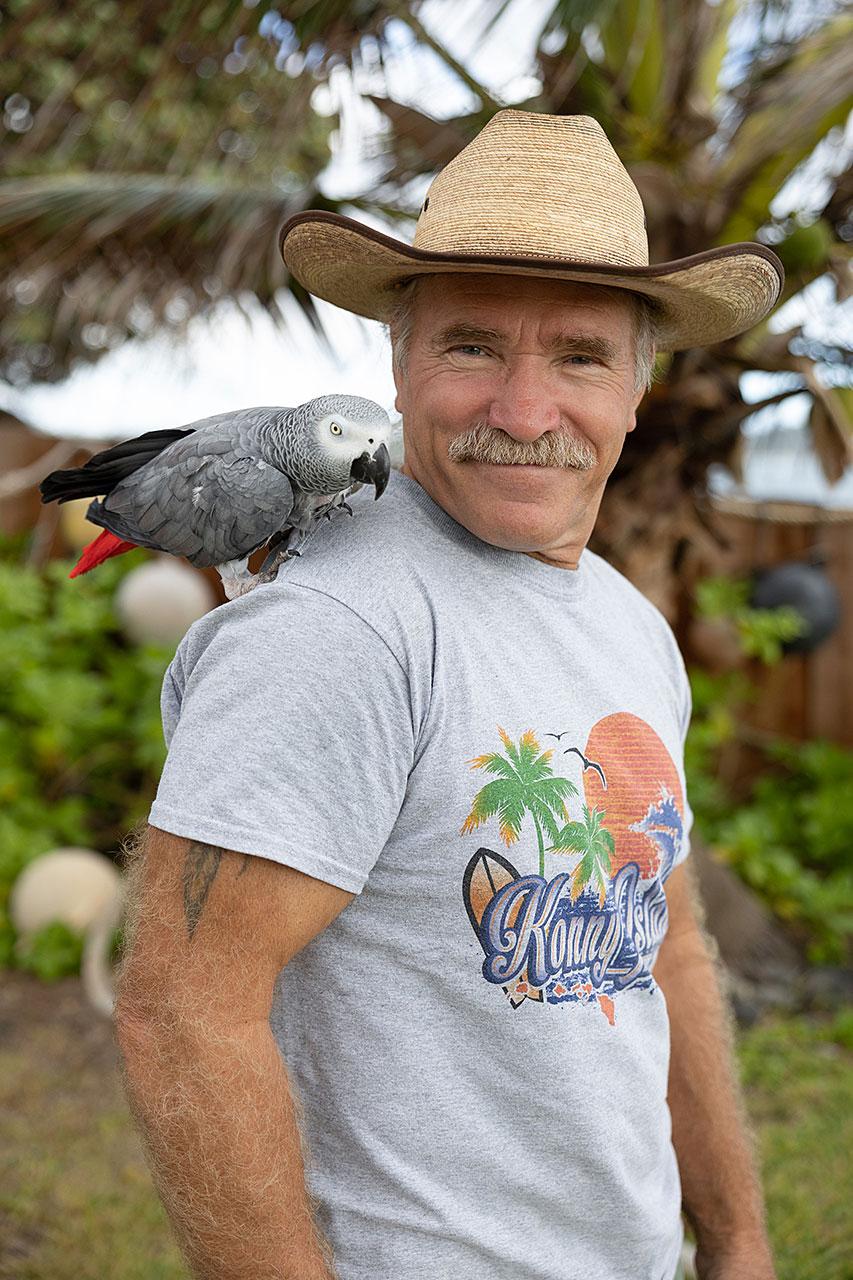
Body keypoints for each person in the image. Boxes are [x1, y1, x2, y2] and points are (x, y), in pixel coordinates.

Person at [115, 110, 783, 1280]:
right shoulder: (341, 626)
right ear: (398, 364)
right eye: (471, 347)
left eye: (579, 357)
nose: (522, 412)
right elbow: (185, 1013)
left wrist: (734, 1238)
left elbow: (668, 945)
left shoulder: (627, 624)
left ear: (639, 387)